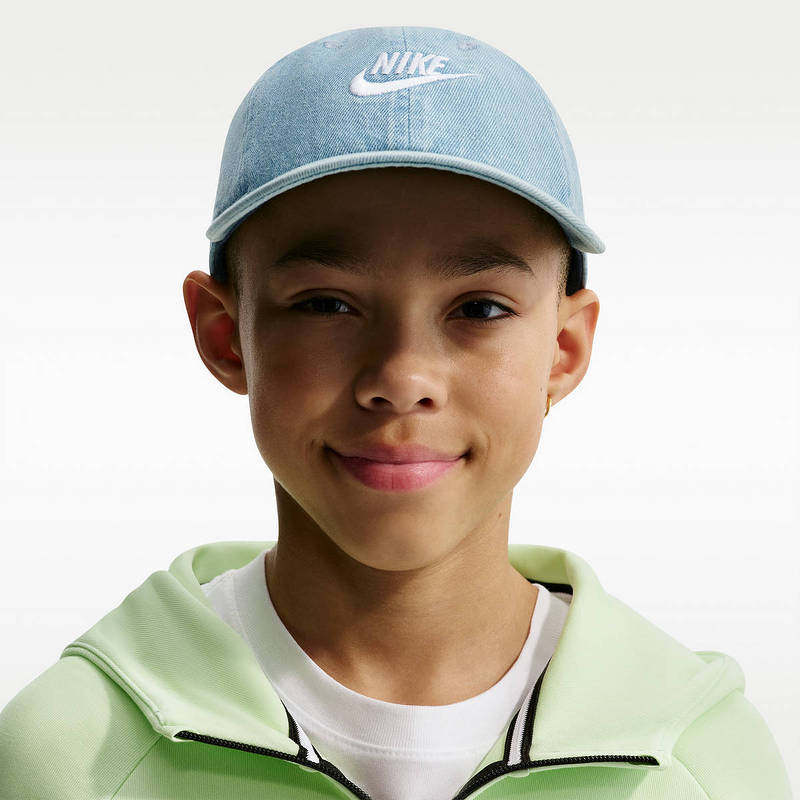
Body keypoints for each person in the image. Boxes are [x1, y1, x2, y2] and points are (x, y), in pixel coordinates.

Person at [0, 24, 792, 800]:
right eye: (327, 303)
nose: (403, 377)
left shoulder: (700, 765)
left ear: (564, 349)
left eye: (479, 309)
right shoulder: (73, 755)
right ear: (224, 335)